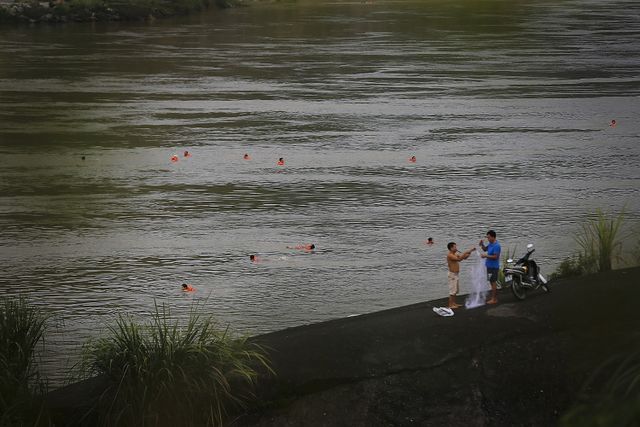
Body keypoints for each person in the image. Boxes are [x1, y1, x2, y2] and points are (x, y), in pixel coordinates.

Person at [446, 242, 475, 309]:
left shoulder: (455, 254)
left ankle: (454, 303)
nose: (456, 248)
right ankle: (450, 305)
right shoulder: (450, 255)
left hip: (456, 274)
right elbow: (458, 259)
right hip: (452, 274)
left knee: (455, 290)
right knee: (452, 290)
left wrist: (470, 252)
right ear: (451, 248)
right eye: (455, 247)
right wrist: (465, 252)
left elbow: (464, 258)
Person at [479, 230, 501, 304]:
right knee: (491, 282)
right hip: (489, 266)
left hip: (494, 267)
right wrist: (482, 244)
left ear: (493, 237)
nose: (488, 239)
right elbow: (485, 249)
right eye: (487, 238)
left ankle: (494, 299)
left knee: (493, 282)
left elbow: (495, 257)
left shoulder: (497, 245)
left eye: (488, 237)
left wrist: (485, 256)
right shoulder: (491, 244)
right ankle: (493, 298)